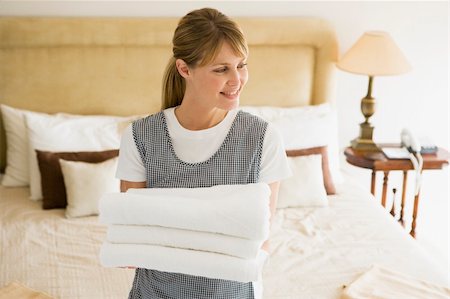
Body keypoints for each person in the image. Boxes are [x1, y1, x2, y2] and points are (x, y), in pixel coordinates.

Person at [116, 7, 291, 299]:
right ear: (185, 69)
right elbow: (135, 236)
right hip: (155, 292)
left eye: (241, 65)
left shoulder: (262, 138)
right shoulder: (141, 137)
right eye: (221, 69)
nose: (237, 80)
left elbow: (261, 238)